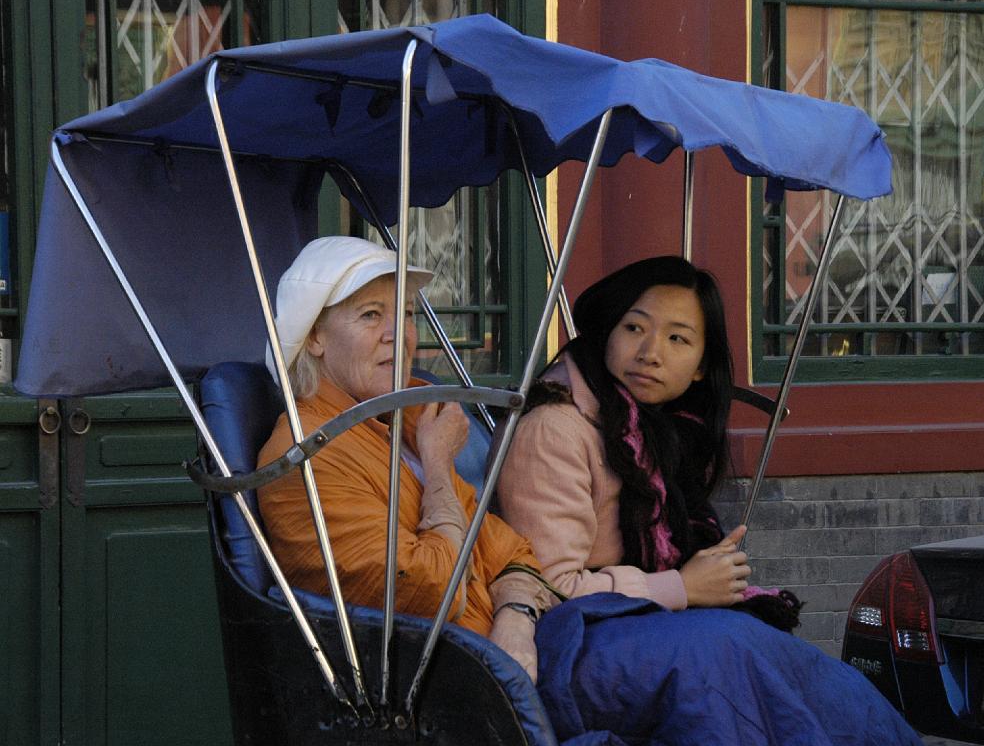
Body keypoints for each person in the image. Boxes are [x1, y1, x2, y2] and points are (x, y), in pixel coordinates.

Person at [497, 256, 922, 745]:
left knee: (803, 676)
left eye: (678, 338)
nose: (650, 352)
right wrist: (681, 586)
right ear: (607, 333)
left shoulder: (663, 433)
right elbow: (546, 589)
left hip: (641, 631)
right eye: (634, 327)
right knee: (725, 655)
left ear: (701, 367)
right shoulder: (555, 428)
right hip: (569, 647)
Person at [257, 236, 551, 681]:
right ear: (315, 336)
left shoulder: (408, 420)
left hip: (515, 647)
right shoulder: (306, 457)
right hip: (448, 681)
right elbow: (433, 590)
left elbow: (513, 552)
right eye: (372, 314)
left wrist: (515, 620)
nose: (400, 333)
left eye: (407, 314)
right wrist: (437, 466)